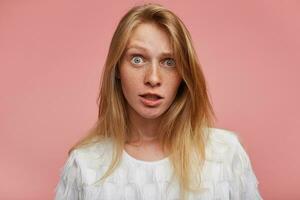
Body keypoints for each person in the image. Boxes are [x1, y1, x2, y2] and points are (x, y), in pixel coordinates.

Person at [54, 3, 262, 200]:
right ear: (117, 68)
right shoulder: (85, 164)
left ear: (184, 74)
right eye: (137, 59)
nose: (153, 78)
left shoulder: (225, 154)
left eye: (169, 62)